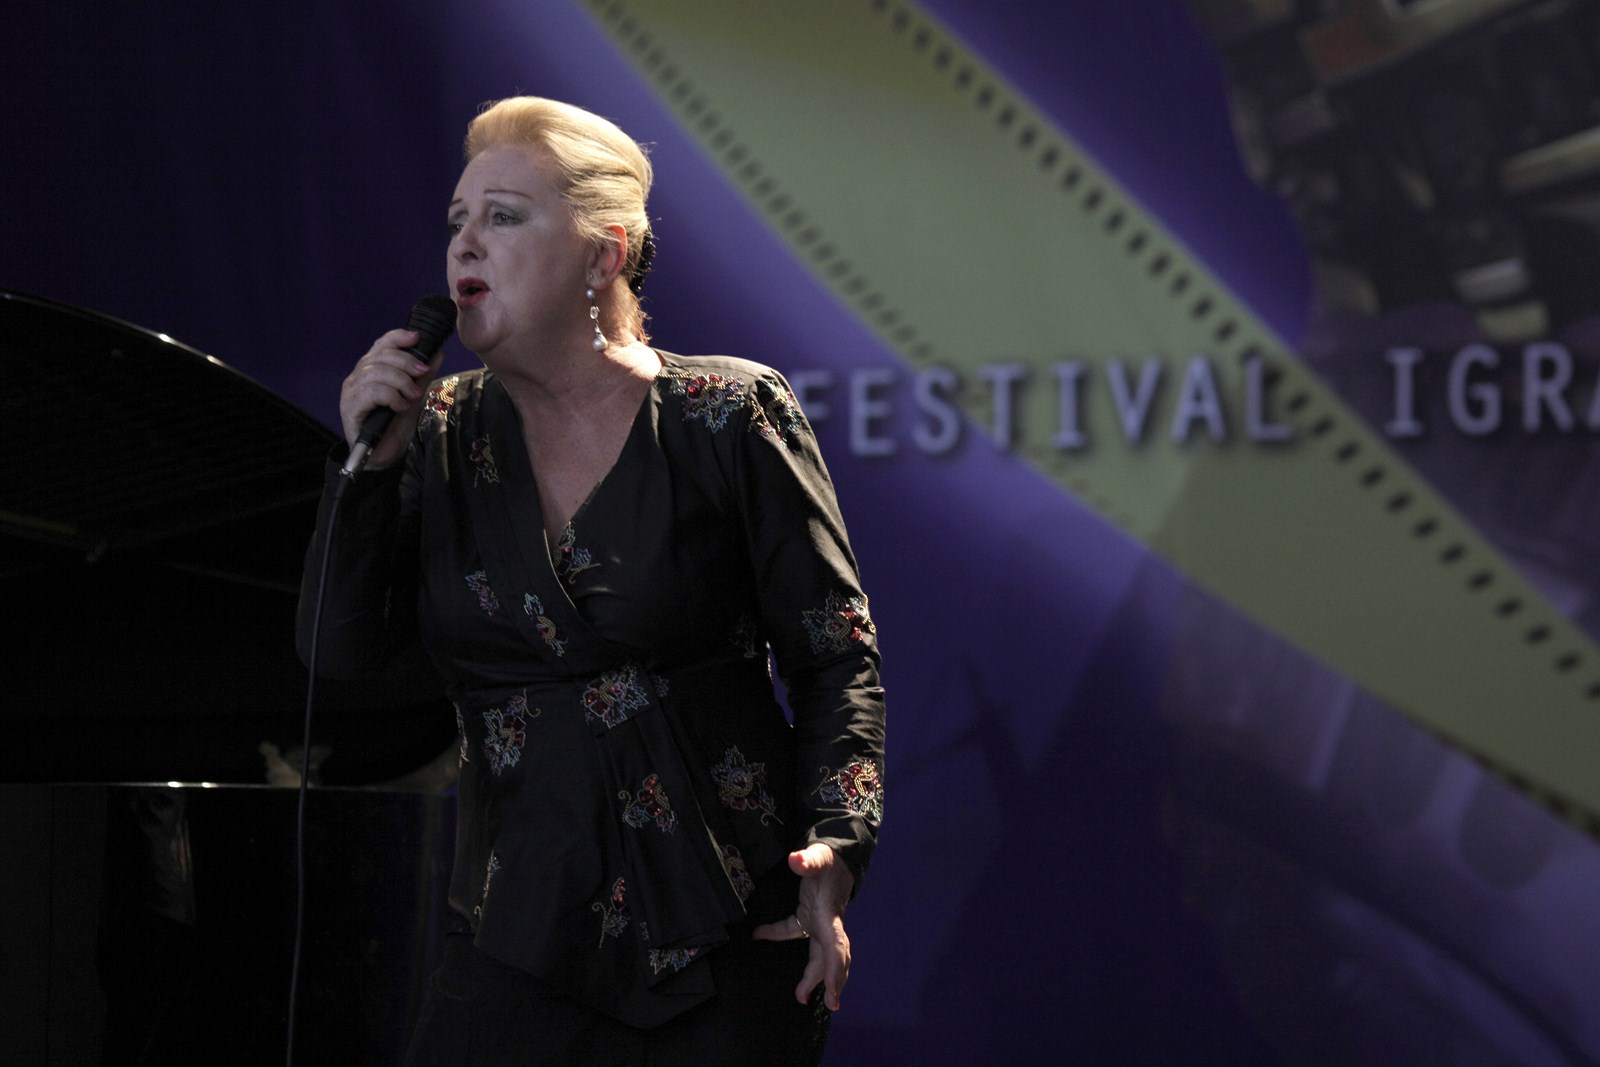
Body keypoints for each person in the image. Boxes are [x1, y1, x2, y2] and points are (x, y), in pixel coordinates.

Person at [296, 95, 885, 1065]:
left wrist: (837, 842)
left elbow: (835, 656)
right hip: (513, 937)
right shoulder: (437, 433)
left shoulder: (726, 413)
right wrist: (366, 475)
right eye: (457, 219)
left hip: (728, 931)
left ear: (603, 255)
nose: (464, 244)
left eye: (503, 216)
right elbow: (338, 649)